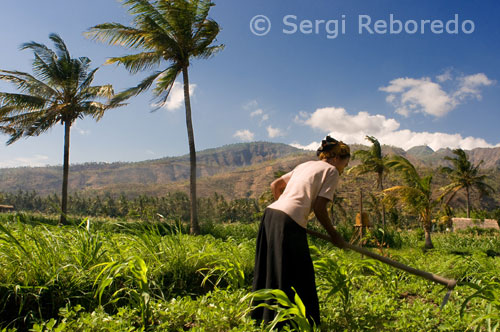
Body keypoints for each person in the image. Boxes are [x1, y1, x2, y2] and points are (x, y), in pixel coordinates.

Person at [251, 136, 350, 329]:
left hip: (271, 214)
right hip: (288, 220)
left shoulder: (306, 165)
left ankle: (265, 319)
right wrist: (334, 235)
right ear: (338, 158)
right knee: (300, 275)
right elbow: (320, 208)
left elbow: (275, 185)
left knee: (272, 268)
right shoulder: (331, 171)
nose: (343, 169)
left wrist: (284, 207)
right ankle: (303, 323)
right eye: (344, 165)